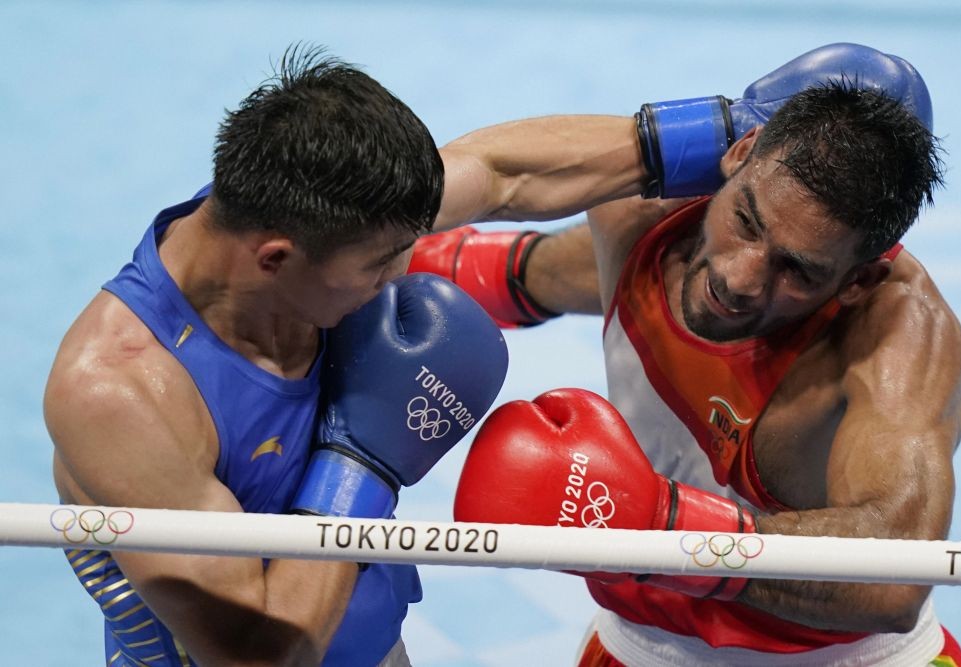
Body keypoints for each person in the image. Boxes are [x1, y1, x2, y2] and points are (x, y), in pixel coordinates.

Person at [43, 45, 653, 666]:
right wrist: (360, 464)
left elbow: (502, 173)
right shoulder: (119, 392)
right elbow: (260, 654)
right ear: (275, 258)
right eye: (379, 265)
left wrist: (713, 135)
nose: (402, 276)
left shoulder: (333, 217)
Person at [437, 47, 961, 665]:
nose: (742, 278)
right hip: (641, 647)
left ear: (856, 280)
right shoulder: (641, 217)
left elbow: (896, 577)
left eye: (795, 269)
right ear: (740, 154)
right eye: (746, 220)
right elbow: (504, 202)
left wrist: (660, 525)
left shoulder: (895, 335)